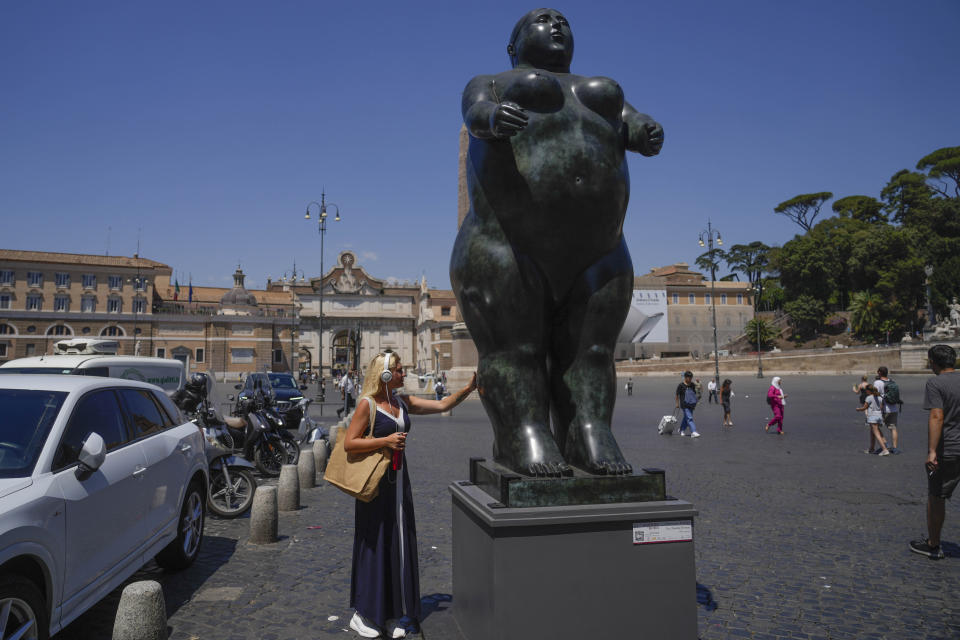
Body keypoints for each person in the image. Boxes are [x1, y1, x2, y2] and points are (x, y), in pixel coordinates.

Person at [451, 8, 663, 477]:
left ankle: (590, 431)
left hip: (601, 248)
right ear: (513, 45)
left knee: (591, 353)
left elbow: (630, 122)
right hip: (508, 244)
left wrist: (644, 130)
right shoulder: (490, 80)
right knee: (515, 352)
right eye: (540, 20)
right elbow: (473, 112)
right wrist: (490, 115)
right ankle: (522, 433)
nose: (556, 25)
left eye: (562, 20)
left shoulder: (599, 91)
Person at [345, 352, 477, 637]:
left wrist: (468, 389)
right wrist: (386, 440)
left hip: (399, 483)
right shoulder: (367, 405)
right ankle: (363, 613)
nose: (404, 373)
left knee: (398, 544)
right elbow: (349, 443)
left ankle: (392, 613)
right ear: (384, 375)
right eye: (400, 370)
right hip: (375, 486)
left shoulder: (402, 403)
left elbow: (442, 404)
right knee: (374, 543)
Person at [910, 344, 960, 560]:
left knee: (937, 496)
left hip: (948, 449)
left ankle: (933, 544)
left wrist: (932, 451)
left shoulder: (935, 383)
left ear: (933, 362)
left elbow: (937, 416)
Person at [874, 366, 901, 454]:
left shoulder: (878, 382)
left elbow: (875, 395)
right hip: (894, 408)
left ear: (879, 372)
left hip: (884, 409)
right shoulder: (892, 381)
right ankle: (895, 448)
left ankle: (885, 445)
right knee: (893, 428)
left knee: (876, 427)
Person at [857, 385, 891, 456]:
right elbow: (882, 407)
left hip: (872, 417)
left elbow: (864, 407)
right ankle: (871, 448)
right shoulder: (879, 397)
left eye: (866, 390)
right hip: (879, 416)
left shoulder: (869, 398)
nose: (866, 391)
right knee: (872, 432)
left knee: (876, 433)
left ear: (869, 391)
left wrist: (859, 409)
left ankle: (885, 450)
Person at [675, 371, 701, 438]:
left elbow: (694, 394)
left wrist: (696, 401)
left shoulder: (692, 384)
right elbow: (677, 395)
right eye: (688, 378)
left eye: (691, 378)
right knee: (689, 418)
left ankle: (681, 429)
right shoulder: (681, 385)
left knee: (686, 418)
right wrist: (677, 403)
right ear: (685, 377)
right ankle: (693, 432)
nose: (690, 379)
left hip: (691, 404)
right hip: (684, 404)